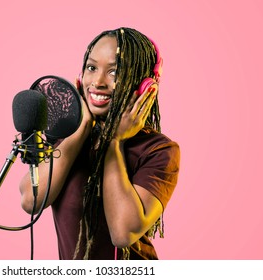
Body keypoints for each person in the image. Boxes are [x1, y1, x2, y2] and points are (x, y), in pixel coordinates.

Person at [19, 27, 180, 260]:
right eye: (92, 68)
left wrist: (115, 142)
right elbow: (30, 201)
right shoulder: (67, 136)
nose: (98, 82)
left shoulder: (158, 150)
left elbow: (123, 232)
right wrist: (82, 128)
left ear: (144, 86)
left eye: (114, 72)